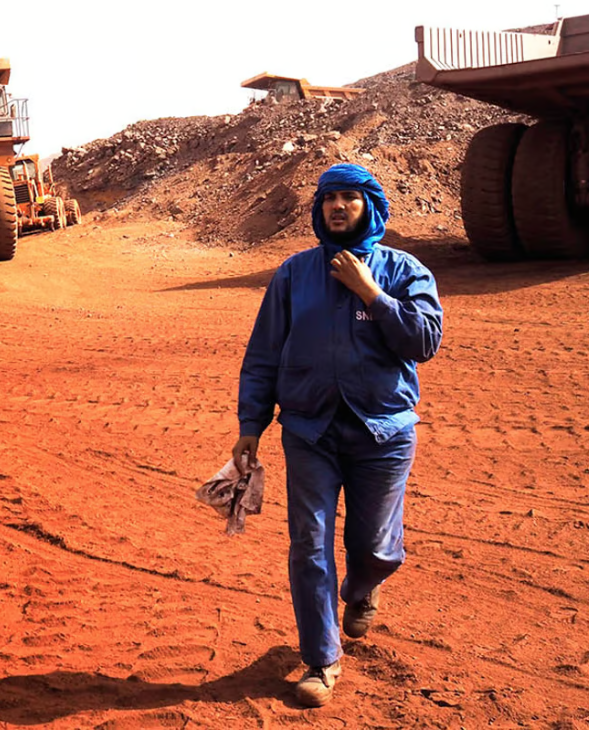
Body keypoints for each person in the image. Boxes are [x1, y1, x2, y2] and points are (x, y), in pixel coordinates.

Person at [232, 163, 443, 707]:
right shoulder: (294, 274)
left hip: (384, 431)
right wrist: (251, 424)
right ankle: (321, 660)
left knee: (374, 546)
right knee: (309, 545)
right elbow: (263, 354)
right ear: (318, 209)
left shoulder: (404, 270)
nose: (337, 206)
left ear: (369, 206)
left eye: (349, 197)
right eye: (329, 198)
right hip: (309, 431)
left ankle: (362, 586)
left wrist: (370, 291)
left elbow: (423, 342)